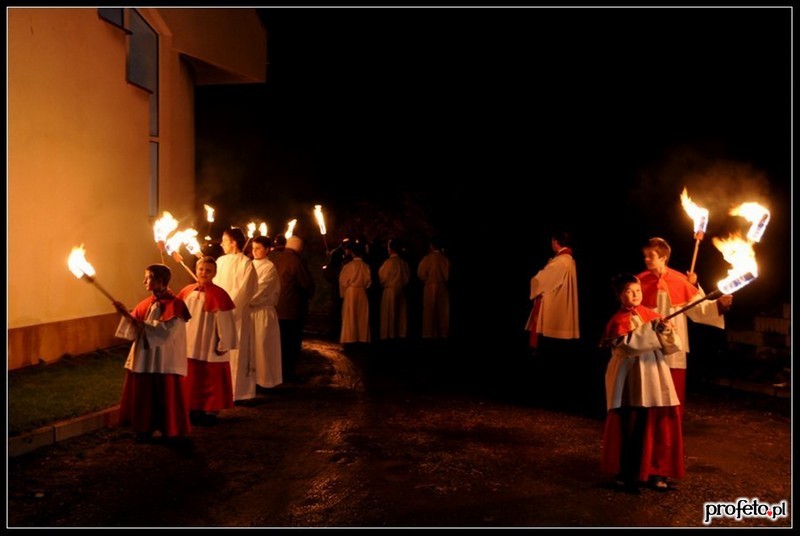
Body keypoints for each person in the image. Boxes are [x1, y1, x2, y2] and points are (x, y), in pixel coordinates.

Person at [600, 273, 684, 493]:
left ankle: (655, 471)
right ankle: (627, 475)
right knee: (630, 425)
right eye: (629, 291)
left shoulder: (651, 315)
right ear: (619, 296)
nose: (635, 294)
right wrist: (652, 328)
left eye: (637, 290)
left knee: (656, 423)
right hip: (630, 378)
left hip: (654, 375)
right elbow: (629, 346)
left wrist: (665, 331)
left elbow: (671, 346)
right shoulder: (618, 320)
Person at [637, 237, 732, 405]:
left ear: (663, 258)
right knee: (647, 391)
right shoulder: (638, 281)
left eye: (651, 256)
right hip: (647, 343)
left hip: (673, 344)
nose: (646, 259)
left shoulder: (680, 281)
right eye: (645, 256)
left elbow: (698, 309)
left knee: (671, 392)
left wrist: (718, 305)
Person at [112, 264, 192, 443]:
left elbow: (165, 333)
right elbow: (134, 329)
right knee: (144, 395)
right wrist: (125, 314)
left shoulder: (176, 305)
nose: (144, 281)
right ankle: (143, 428)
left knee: (165, 395)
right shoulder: (145, 304)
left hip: (164, 359)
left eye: (148, 277)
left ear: (160, 280)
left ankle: (169, 430)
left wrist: (135, 321)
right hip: (145, 357)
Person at [177, 256, 238, 426]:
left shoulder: (219, 294)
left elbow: (225, 322)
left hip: (208, 341)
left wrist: (224, 341)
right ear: (196, 270)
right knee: (191, 376)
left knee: (209, 377)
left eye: (208, 270)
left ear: (214, 273)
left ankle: (208, 409)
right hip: (189, 340)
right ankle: (190, 407)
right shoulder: (187, 291)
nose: (204, 273)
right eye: (201, 269)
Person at [214, 227, 259, 402]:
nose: (222, 244)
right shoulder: (220, 261)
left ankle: (240, 392)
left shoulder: (246, 263)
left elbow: (246, 289)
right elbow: (215, 284)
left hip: (237, 314)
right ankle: (222, 389)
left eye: (224, 240)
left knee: (239, 352)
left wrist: (229, 306)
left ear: (233, 243)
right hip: (220, 313)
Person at [524, 230, 580, 352]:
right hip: (559, 301)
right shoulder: (567, 259)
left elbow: (543, 280)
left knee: (549, 344)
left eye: (552, 240)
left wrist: (534, 280)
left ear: (556, 241)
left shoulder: (561, 260)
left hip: (554, 305)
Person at [271, 235, 315, 382]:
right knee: (291, 344)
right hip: (291, 310)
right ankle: (288, 373)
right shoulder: (296, 261)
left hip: (274, 308)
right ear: (300, 248)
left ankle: (275, 371)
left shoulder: (274, 258)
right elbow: (306, 284)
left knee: (277, 343)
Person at [250, 235, 283, 389]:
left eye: (258, 248)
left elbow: (261, 290)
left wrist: (243, 300)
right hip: (249, 312)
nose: (254, 251)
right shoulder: (249, 265)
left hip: (262, 311)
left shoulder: (269, 268)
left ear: (267, 249)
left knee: (263, 347)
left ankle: (265, 381)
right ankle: (251, 379)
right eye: (253, 248)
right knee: (251, 347)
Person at [339, 239, 372, 345]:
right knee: (361, 315)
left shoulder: (348, 266)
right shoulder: (366, 266)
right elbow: (368, 282)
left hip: (351, 292)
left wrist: (343, 293)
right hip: (362, 292)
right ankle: (362, 338)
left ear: (353, 253)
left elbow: (343, 281)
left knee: (350, 315)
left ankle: (350, 338)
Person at [417, 237, 450, 339]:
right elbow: (448, 274)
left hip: (430, 286)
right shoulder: (445, 259)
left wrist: (426, 279)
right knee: (443, 311)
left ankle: (429, 333)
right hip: (442, 286)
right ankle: (443, 333)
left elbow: (421, 273)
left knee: (429, 311)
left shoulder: (427, 258)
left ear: (431, 246)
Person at [378, 238, 411, 341]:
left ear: (390, 248)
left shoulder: (389, 263)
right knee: (399, 313)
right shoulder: (403, 263)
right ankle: (400, 333)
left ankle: (389, 334)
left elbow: (382, 277)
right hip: (400, 290)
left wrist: (384, 283)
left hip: (390, 291)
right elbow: (407, 277)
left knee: (389, 313)